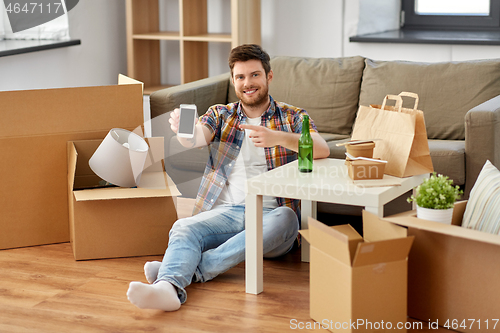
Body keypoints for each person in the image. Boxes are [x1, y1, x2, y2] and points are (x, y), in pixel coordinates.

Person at [127, 44, 330, 311]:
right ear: (233, 81)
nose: (248, 83)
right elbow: (196, 138)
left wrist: (278, 138)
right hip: (228, 213)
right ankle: (168, 287)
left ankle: (181, 269)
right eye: (241, 77)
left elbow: (322, 148)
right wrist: (183, 131)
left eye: (255, 75)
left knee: (287, 218)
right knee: (183, 227)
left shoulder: (292, 116)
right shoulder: (221, 114)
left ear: (269, 76)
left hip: (273, 217)